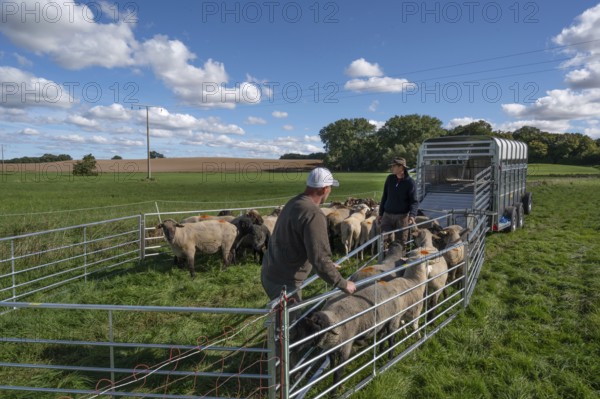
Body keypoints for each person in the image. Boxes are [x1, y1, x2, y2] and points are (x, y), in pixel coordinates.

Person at [261, 167, 357, 304]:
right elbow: (320, 257)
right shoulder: (313, 214)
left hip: (270, 270)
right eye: (330, 187)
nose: (330, 191)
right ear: (324, 189)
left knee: (281, 316)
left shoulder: (294, 202)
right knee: (290, 321)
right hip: (285, 282)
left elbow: (300, 243)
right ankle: (279, 325)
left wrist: (327, 265)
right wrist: (343, 283)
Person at [377, 158, 418, 248]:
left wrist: (412, 215)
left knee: (401, 242)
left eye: (394, 166)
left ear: (401, 167)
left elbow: (414, 201)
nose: (392, 168)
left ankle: (399, 260)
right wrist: (380, 214)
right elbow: (385, 196)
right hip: (387, 215)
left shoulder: (410, 183)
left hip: (402, 217)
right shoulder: (390, 179)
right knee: (383, 239)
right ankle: (384, 259)